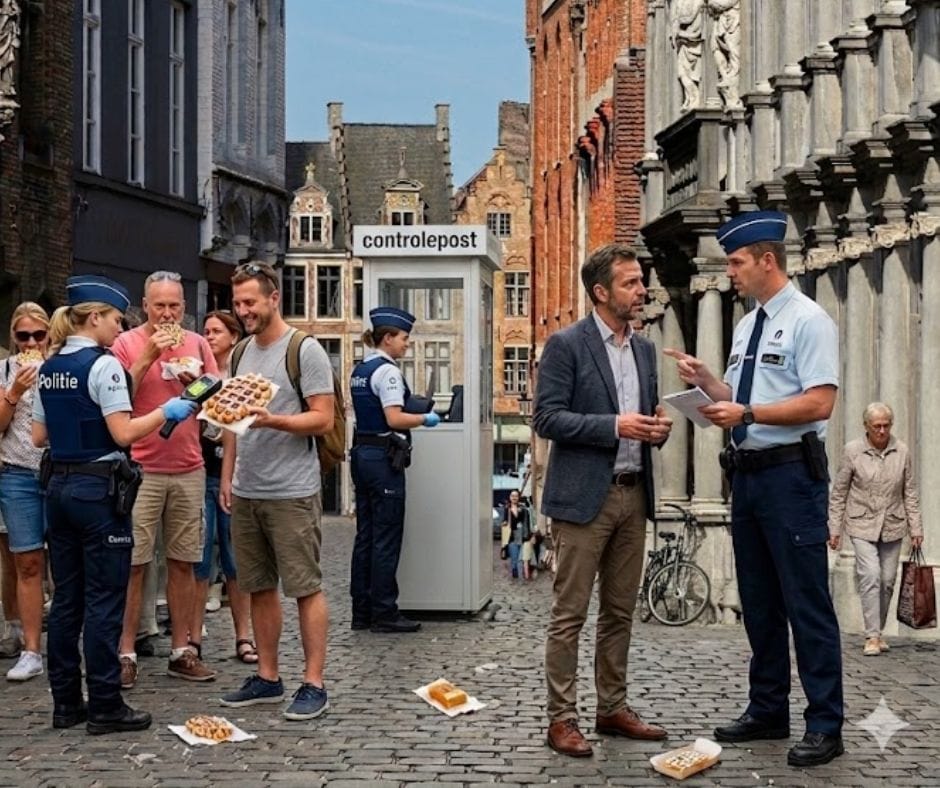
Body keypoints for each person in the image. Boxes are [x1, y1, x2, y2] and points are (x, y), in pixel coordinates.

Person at [665, 210, 844, 767]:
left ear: (768, 261)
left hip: (792, 477)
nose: (731, 272)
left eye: (737, 262)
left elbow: (820, 402)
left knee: (806, 604)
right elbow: (740, 398)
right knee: (761, 604)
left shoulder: (810, 320)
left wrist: (747, 409)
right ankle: (768, 707)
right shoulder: (747, 325)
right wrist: (706, 383)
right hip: (748, 476)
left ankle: (825, 723)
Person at [31, 274, 198, 733]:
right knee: (104, 599)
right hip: (98, 489)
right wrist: (169, 411)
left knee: (66, 601)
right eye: (115, 319)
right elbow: (124, 433)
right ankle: (105, 702)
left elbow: (39, 436)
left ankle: (66, 702)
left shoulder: (49, 367)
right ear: (95, 317)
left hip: (59, 487)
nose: (118, 327)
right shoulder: (102, 366)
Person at [533, 243, 673, 758]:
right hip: (582, 501)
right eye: (631, 283)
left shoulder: (644, 349)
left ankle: (611, 706)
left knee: (620, 612)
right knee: (568, 615)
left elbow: (644, 417)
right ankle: (561, 718)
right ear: (601, 292)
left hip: (634, 497)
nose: (641, 291)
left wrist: (657, 429)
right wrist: (614, 425)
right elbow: (547, 419)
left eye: (641, 282)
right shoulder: (566, 345)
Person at [218, 262, 335, 720]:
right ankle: (267, 677)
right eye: (238, 303)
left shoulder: (303, 350)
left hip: (292, 490)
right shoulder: (240, 352)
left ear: (273, 299)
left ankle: (313, 682)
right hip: (249, 488)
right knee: (258, 586)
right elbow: (229, 418)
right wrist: (228, 474)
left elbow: (322, 418)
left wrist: (273, 419)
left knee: (305, 587)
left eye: (250, 302)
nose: (244, 310)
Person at [111, 271, 219, 688]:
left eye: (175, 306)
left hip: (189, 465)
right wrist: (148, 356)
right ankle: (125, 652)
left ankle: (182, 650)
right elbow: (118, 393)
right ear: (145, 305)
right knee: (134, 562)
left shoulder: (198, 344)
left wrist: (196, 383)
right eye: (160, 306)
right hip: (140, 466)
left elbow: (216, 396)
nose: (168, 313)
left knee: (184, 561)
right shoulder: (127, 343)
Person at [349, 307, 440, 633]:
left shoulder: (361, 368)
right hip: (383, 458)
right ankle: (385, 612)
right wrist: (423, 419)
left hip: (362, 453)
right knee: (386, 537)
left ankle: (362, 611)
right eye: (403, 338)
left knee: (366, 536)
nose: (407, 345)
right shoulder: (387, 372)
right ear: (387, 338)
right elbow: (394, 418)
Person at [828, 402, 923, 656]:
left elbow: (910, 493)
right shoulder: (853, 451)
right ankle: (872, 635)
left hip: (893, 523)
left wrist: (916, 529)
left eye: (886, 425)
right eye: (877, 426)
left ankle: (876, 630)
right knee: (870, 575)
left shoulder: (901, 451)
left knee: (887, 580)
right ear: (866, 427)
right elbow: (839, 493)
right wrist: (834, 529)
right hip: (861, 523)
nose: (882, 431)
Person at [189, 310, 256, 664]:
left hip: (235, 472)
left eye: (216, 331)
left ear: (233, 336)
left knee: (235, 557)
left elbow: (241, 427)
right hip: (201, 469)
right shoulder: (197, 374)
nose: (209, 336)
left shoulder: (243, 376)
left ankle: (243, 635)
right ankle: (193, 636)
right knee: (199, 557)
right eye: (205, 331)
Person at [0, 303, 51, 681]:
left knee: (67, 563)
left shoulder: (63, 368)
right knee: (26, 563)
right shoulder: (4, 370)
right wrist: (14, 391)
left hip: (59, 473)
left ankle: (67, 642)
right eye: (23, 336)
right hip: (17, 473)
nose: (31, 342)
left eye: (38, 335)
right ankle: (31, 649)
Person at [504, 490, 531, 580]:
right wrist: (504, 523)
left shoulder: (523, 509)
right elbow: (504, 522)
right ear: (510, 497)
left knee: (523, 558)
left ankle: (522, 575)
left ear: (519, 497)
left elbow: (526, 523)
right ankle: (515, 574)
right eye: (512, 496)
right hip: (512, 537)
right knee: (514, 558)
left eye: (516, 496)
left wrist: (527, 536)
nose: (514, 497)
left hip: (522, 536)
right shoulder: (507, 509)